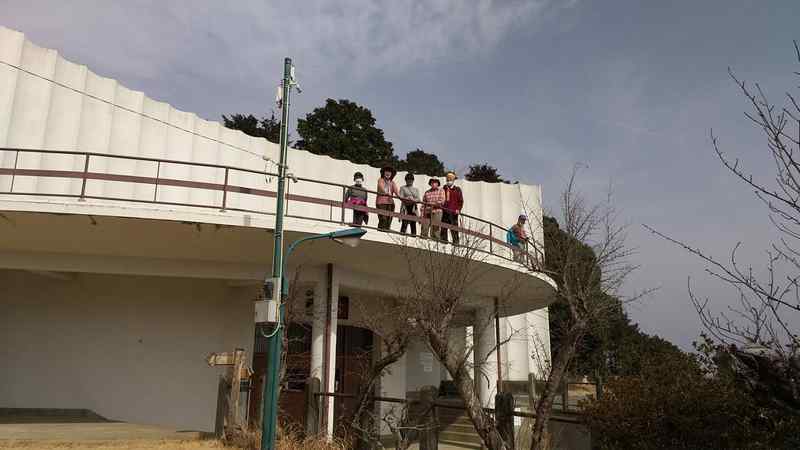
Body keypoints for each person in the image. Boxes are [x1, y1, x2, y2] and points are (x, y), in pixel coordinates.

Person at [441, 171, 464, 244]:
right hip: (445, 212)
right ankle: (443, 243)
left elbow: (460, 201)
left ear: (453, 180)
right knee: (443, 229)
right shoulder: (443, 188)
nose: (449, 181)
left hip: (454, 213)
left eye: (450, 179)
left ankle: (456, 244)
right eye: (447, 179)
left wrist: (458, 209)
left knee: (454, 229)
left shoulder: (457, 189)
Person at [376, 166, 399, 230]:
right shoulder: (381, 180)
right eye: (386, 171)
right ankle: (380, 231)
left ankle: (386, 231)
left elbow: (396, 191)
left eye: (390, 172)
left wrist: (401, 197)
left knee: (389, 219)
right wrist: (385, 192)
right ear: (383, 172)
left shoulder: (392, 182)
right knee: (383, 218)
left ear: (392, 174)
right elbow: (381, 186)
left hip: (390, 203)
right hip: (381, 202)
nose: (388, 173)